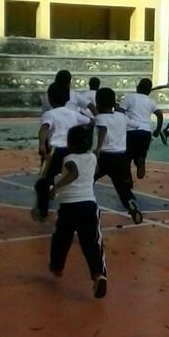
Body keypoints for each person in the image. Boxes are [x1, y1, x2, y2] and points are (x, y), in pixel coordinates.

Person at [49, 124, 108, 299]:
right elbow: (91, 172)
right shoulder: (92, 157)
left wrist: (55, 188)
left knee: (61, 238)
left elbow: (74, 173)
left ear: (70, 143)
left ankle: (57, 267)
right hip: (88, 205)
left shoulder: (68, 158)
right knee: (91, 243)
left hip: (69, 206)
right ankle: (98, 274)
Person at [33, 83, 91, 221]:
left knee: (42, 182)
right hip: (71, 151)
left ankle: (43, 210)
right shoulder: (74, 114)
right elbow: (90, 122)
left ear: (50, 99)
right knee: (69, 177)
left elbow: (44, 129)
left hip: (54, 151)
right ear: (67, 99)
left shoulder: (49, 114)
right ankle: (72, 205)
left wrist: (42, 144)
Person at [94, 87, 143, 224]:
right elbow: (136, 126)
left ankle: (86, 204)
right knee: (122, 187)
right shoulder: (122, 117)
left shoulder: (99, 118)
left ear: (97, 103)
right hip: (121, 158)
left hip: (104, 157)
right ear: (114, 102)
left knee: (87, 180)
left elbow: (101, 129)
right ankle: (131, 203)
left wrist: (97, 148)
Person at [119, 78, 164, 180]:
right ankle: (140, 160)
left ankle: (128, 180)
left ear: (137, 87)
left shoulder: (129, 97)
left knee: (127, 158)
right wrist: (157, 129)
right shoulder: (150, 101)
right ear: (149, 91)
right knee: (141, 153)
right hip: (146, 132)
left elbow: (121, 112)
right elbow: (159, 114)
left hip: (130, 131)